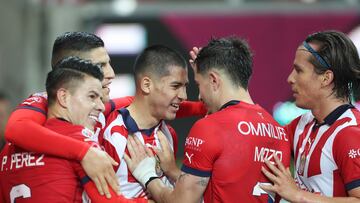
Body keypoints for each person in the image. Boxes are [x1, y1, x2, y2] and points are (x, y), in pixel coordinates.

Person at [124, 36, 291, 202]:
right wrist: (174, 172)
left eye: (198, 84)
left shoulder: (209, 127)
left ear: (213, 80)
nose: (199, 96)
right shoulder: (279, 133)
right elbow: (228, 185)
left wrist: (147, 175)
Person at [0, 57, 149, 203]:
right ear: (63, 97)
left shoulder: (7, 152)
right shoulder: (82, 141)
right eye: (92, 96)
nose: (101, 106)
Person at [260, 30, 360, 202]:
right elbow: (252, 136)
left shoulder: (350, 133)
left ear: (326, 78)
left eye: (299, 70)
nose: (290, 78)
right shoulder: (302, 124)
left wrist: (298, 195)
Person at [101, 45, 189, 199]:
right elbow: (100, 197)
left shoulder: (168, 134)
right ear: (147, 85)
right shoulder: (113, 134)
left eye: (185, 87)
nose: (184, 96)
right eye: (175, 86)